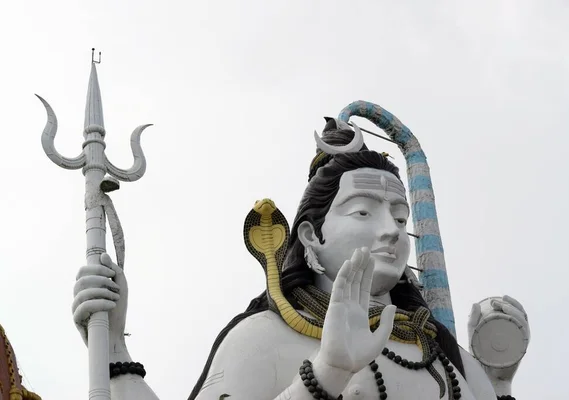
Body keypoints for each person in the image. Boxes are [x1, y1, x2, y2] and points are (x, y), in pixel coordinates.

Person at [72, 117, 529, 400]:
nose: (390, 230)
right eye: (364, 211)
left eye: (399, 214)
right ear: (310, 236)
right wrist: (114, 350)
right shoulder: (265, 338)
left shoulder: (448, 357)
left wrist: (498, 383)